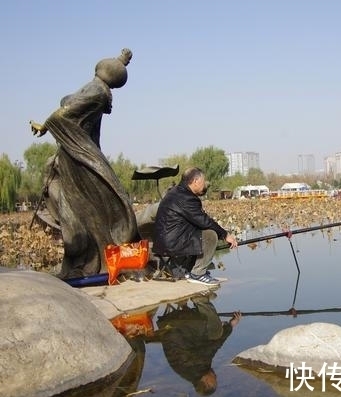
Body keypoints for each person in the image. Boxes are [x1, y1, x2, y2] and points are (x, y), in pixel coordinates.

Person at [29, 48, 139, 278]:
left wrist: (46, 125)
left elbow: (62, 116)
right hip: (76, 155)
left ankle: (88, 261)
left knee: (80, 210)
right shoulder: (97, 89)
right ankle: (88, 259)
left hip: (77, 157)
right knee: (83, 209)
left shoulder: (96, 91)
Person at [153, 167, 238, 285]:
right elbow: (204, 221)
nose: (204, 185)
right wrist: (225, 235)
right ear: (195, 181)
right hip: (172, 242)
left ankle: (190, 271)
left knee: (201, 233)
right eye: (203, 182)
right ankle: (198, 274)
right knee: (210, 235)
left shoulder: (176, 192)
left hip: (165, 240)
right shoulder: (186, 198)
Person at [157, 296, 242, 395]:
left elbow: (215, 345)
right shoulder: (190, 374)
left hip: (175, 325)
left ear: (206, 382)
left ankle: (200, 300)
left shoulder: (197, 366)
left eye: (214, 379)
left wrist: (230, 325)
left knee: (216, 332)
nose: (215, 376)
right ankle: (183, 304)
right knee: (209, 333)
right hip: (169, 328)